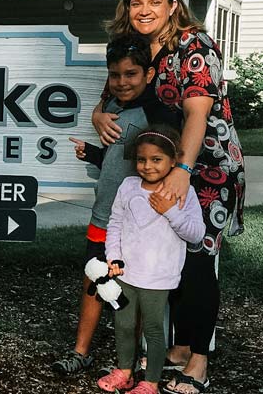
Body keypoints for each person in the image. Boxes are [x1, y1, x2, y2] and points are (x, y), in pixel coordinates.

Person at [93, 0, 245, 394]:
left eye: (155, 2)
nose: (145, 11)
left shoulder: (194, 45)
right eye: (137, 3)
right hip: (162, 166)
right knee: (167, 260)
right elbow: (113, 89)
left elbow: (196, 113)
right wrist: (97, 114)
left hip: (207, 168)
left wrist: (183, 172)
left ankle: (198, 360)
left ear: (173, 6)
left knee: (196, 262)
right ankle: (176, 349)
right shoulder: (141, 48)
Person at [52, 34, 180, 375]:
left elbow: (161, 166)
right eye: (115, 75)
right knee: (94, 280)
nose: (122, 82)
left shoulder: (158, 115)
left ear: (148, 75)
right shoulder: (110, 108)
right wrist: (92, 153)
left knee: (133, 289)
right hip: (103, 215)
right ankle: (81, 352)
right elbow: (118, 159)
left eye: (131, 74)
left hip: (138, 226)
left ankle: (132, 361)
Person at [96, 125, 205, 394]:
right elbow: (115, 224)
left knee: (154, 329)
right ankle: (124, 371)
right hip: (126, 274)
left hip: (159, 276)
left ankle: (151, 382)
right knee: (123, 323)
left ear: (173, 159)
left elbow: (196, 234)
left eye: (156, 159)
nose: (147, 166)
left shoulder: (182, 192)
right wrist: (114, 257)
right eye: (141, 159)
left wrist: (170, 211)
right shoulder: (129, 185)